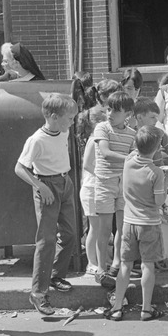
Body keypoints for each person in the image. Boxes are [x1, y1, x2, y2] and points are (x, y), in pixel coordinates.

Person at [14, 93, 78, 315]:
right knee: (46, 240)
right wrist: (41, 187)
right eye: (69, 118)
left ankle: (55, 276)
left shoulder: (62, 130)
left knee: (70, 234)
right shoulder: (36, 140)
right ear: (52, 117)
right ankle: (38, 294)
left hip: (65, 182)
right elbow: (20, 168)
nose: (72, 122)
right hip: (47, 187)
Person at [103, 126, 167, 322]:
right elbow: (159, 201)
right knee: (148, 265)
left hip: (129, 223)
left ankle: (116, 307)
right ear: (156, 149)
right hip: (149, 223)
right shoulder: (156, 173)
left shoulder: (129, 162)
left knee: (125, 265)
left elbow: (136, 151)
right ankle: (146, 309)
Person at [91, 90, 137, 288]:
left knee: (121, 228)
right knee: (104, 229)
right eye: (109, 109)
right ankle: (101, 267)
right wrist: (129, 158)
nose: (110, 113)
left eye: (116, 111)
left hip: (123, 184)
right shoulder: (102, 128)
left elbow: (137, 155)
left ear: (127, 114)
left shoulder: (132, 134)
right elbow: (105, 152)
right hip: (105, 183)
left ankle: (116, 262)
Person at [76, 105, 106, 276]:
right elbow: (88, 164)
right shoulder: (93, 139)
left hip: (97, 187)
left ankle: (99, 260)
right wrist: (102, 176)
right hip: (92, 187)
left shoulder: (98, 138)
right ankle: (91, 263)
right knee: (94, 228)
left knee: (100, 227)